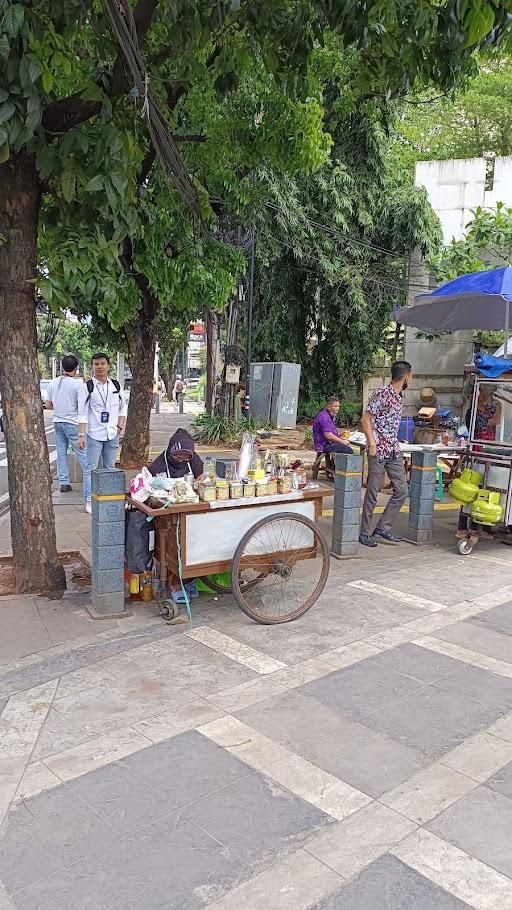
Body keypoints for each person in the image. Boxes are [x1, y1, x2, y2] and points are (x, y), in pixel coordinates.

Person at [359, 360, 412, 548]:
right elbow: (365, 419)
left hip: (393, 449)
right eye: (410, 376)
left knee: (402, 490)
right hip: (378, 449)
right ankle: (365, 533)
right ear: (406, 376)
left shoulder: (399, 397)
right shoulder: (382, 393)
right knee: (373, 491)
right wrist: (372, 444)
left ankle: (382, 528)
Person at [149, 430, 204, 603]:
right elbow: (151, 493)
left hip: (191, 508)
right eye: (178, 456)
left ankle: (190, 579)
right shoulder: (158, 466)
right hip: (167, 512)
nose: (181, 460)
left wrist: (200, 483)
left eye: (185, 457)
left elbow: (201, 477)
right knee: (174, 544)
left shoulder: (193, 460)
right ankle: (175, 583)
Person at [78, 353, 127, 514]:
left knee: (110, 467)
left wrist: (119, 427)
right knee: (90, 468)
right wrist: (82, 434)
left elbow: (122, 407)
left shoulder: (116, 386)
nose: (100, 366)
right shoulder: (87, 387)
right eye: (96, 364)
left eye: (102, 363)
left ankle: (108, 498)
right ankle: (89, 500)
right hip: (94, 434)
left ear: (108, 365)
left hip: (112, 434)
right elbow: (82, 412)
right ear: (92, 366)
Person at [45, 355, 87, 494]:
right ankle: (89, 481)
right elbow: (82, 409)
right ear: (75, 369)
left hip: (57, 421)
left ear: (62, 367)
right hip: (72, 423)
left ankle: (64, 482)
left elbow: (48, 404)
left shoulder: (53, 383)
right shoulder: (78, 384)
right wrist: (82, 433)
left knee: (61, 453)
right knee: (82, 453)